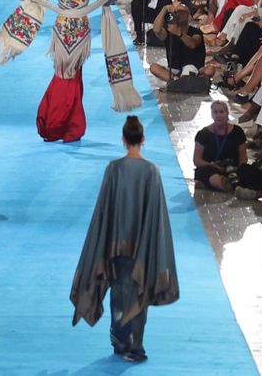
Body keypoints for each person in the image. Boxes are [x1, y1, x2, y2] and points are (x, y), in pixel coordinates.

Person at [70, 115, 179, 363]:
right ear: (143, 139)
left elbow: (104, 209)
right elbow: (156, 212)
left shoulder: (114, 169)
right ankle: (136, 344)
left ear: (123, 139)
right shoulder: (152, 171)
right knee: (139, 291)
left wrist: (103, 239)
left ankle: (120, 338)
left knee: (119, 291)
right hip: (141, 242)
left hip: (116, 242)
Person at [34, 0, 110, 142]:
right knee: (75, 77)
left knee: (60, 74)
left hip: (62, 33)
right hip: (80, 35)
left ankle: (54, 122)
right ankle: (70, 125)